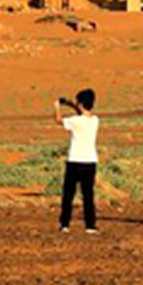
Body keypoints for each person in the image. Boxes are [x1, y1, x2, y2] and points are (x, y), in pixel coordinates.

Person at [53, 88, 99, 234]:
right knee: (88, 195)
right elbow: (83, 113)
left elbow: (58, 120)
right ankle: (90, 226)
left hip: (74, 161)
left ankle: (65, 224)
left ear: (80, 104)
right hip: (90, 161)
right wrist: (71, 104)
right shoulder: (96, 120)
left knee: (68, 195)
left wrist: (57, 107)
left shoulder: (75, 121)